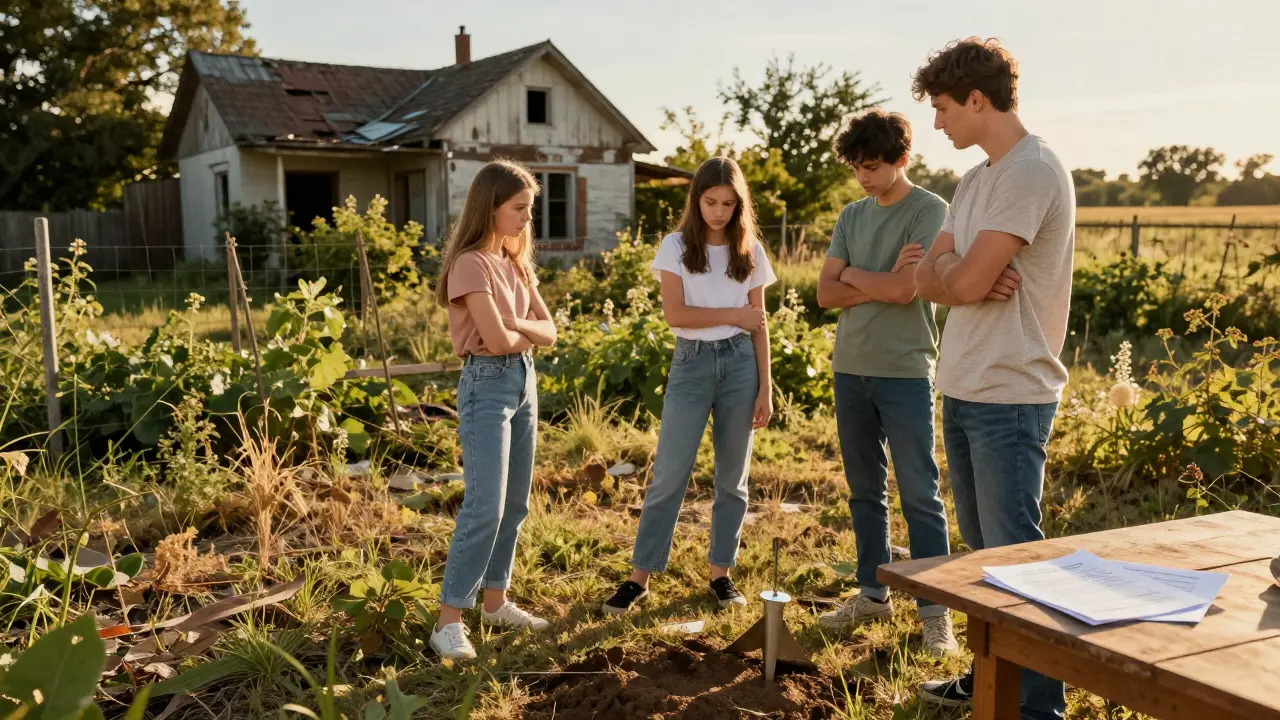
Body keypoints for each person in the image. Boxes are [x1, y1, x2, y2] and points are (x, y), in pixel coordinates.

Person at [910, 38, 1076, 719]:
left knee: (1017, 557)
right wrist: (954, 275)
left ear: (977, 100)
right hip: (964, 384)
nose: (939, 122)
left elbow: (958, 275)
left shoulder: (1031, 171)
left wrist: (953, 274)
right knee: (986, 557)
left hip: (1010, 392)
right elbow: (928, 277)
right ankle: (992, 683)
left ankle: (1038, 707)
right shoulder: (976, 180)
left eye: (945, 108)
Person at [602, 156, 777, 615]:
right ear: (696, 200)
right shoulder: (675, 247)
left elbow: (760, 324)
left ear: (740, 204)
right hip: (692, 365)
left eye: (728, 203)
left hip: (742, 367)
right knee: (669, 475)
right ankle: (639, 577)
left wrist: (766, 388)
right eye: (710, 201)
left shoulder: (751, 251)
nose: (718, 211)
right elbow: (676, 315)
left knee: (732, 479)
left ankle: (722, 574)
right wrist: (733, 315)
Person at [813, 109, 957, 657]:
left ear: (902, 159)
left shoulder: (931, 210)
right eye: (856, 168)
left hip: (905, 371)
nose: (864, 177)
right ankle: (872, 593)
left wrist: (852, 274)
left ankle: (934, 611)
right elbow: (826, 295)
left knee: (920, 494)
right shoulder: (853, 214)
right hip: (850, 367)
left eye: (873, 166)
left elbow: (907, 292)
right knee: (863, 491)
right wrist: (873, 279)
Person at [429, 160, 559, 661]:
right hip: (486, 383)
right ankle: (448, 621)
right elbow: (501, 338)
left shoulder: (515, 262)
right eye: (519, 209)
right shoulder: (470, 264)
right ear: (491, 208)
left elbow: (548, 331)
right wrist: (521, 326)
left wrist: (518, 326)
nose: (528, 219)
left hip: (523, 380)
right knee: (486, 504)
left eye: (530, 208)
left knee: (517, 502)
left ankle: (496, 600)